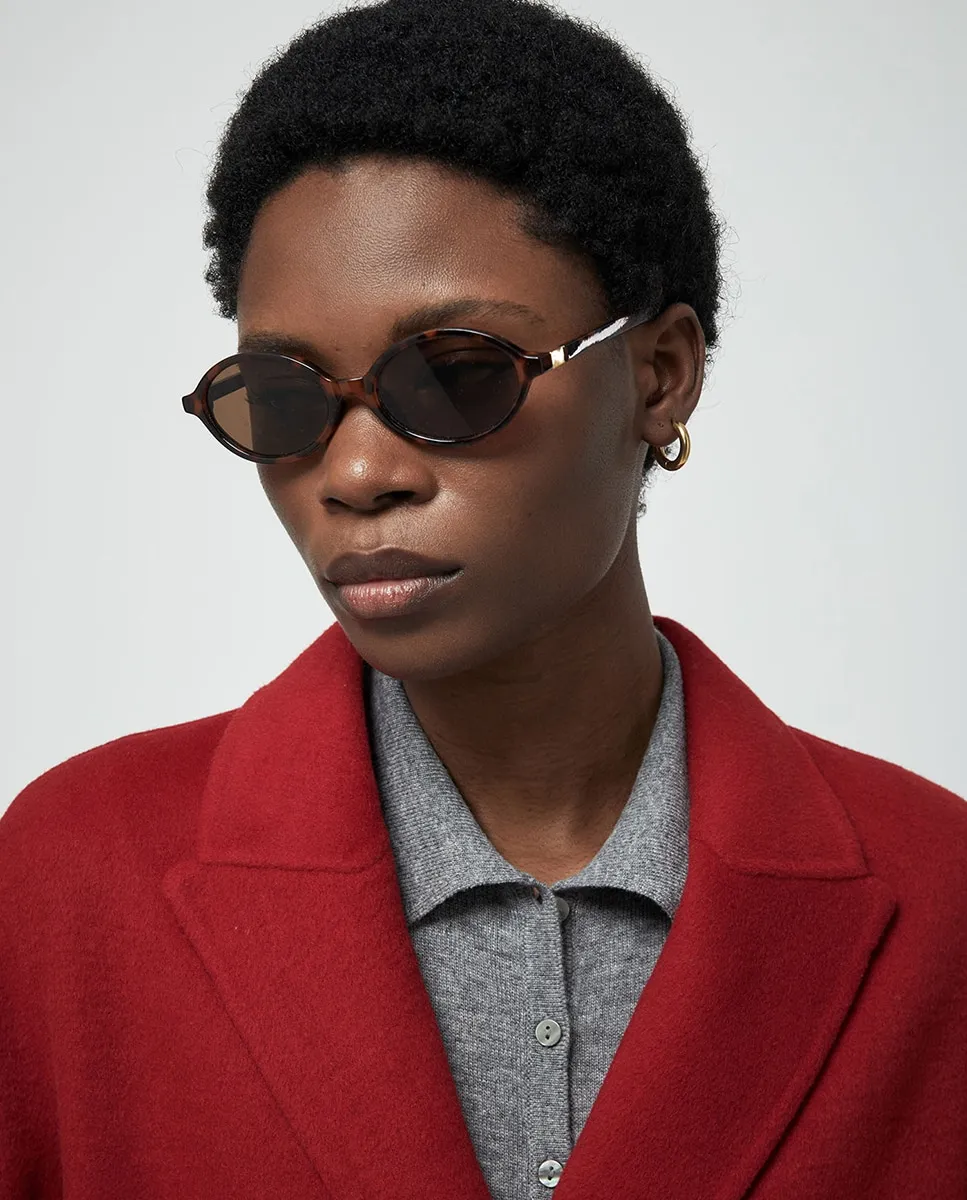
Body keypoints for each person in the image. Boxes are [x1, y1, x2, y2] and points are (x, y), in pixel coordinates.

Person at [1, 0, 965, 1196]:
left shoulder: (940, 905)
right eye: (283, 397)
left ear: (660, 377)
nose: (357, 474)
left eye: (456, 376)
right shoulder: (70, 883)